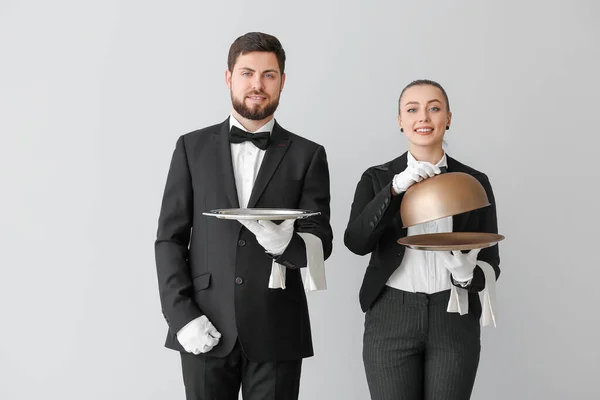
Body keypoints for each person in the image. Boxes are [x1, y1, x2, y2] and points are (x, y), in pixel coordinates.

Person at [154, 32, 333, 400]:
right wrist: (181, 316)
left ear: (282, 81)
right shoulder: (191, 147)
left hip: (277, 328)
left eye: (269, 75)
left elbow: (321, 242)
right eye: (247, 73)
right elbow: (169, 239)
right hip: (203, 322)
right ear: (228, 77)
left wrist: (289, 245)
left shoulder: (308, 154)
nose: (257, 84)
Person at [344, 79, 500, 400]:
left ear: (448, 118)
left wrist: (468, 276)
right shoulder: (376, 178)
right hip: (390, 314)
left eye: (434, 108)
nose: (423, 118)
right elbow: (356, 243)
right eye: (412, 110)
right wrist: (393, 190)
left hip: (453, 316)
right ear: (400, 121)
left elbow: (491, 264)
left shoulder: (475, 181)